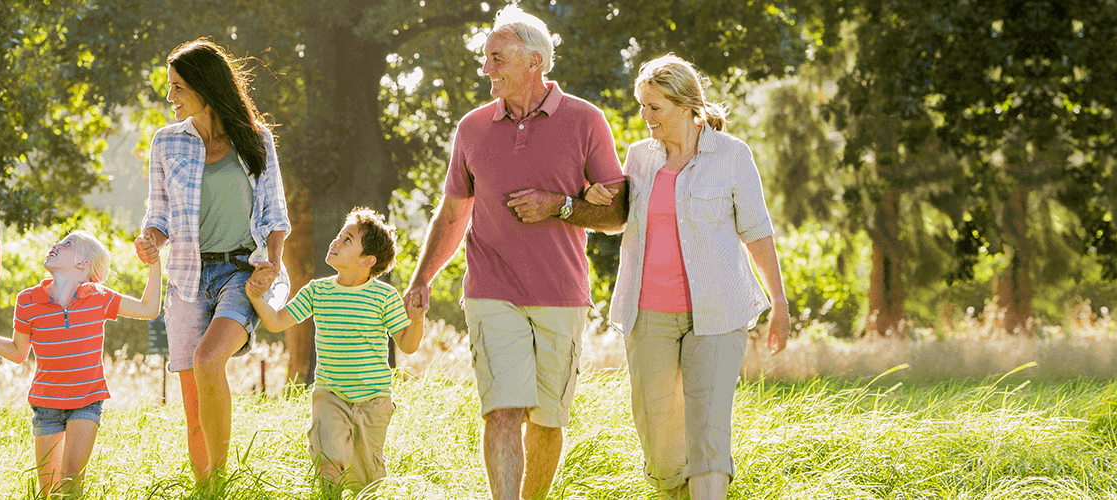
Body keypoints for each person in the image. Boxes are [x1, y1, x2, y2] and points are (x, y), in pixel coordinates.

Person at [401, 6, 629, 500]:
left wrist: (561, 206)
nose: (487, 69)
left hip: (560, 292)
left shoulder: (586, 121)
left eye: (497, 58)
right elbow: (453, 210)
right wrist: (422, 277)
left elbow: (617, 213)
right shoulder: (472, 128)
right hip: (491, 289)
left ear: (535, 60)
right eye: (486, 59)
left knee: (547, 420)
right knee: (502, 411)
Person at [584, 54, 794, 500]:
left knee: (708, 426)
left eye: (654, 107)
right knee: (659, 439)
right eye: (642, 106)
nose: (645, 117)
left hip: (718, 315)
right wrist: (595, 197)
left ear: (685, 106)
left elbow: (756, 232)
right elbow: (620, 218)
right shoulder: (639, 158)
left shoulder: (732, 155)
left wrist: (780, 302)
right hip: (649, 314)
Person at [132, 38, 292, 487]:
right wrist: (149, 240)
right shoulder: (166, 143)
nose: (170, 98)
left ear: (203, 86)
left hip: (241, 272)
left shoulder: (255, 138)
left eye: (177, 87)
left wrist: (272, 265)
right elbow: (158, 214)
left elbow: (275, 215)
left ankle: (221, 479)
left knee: (208, 361)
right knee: (192, 401)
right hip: (186, 277)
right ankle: (206, 488)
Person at [244, 208, 428, 491]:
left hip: (374, 401)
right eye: (340, 235)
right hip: (330, 395)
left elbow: (408, 344)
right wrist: (256, 297)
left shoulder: (384, 297)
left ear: (368, 260)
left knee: (365, 482)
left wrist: (417, 319)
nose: (336, 241)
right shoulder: (317, 292)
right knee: (328, 460)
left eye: (347, 240)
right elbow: (278, 322)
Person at [0, 231, 164, 498]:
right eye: (59, 242)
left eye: (67, 244)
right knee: (48, 493)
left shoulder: (98, 296)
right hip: (46, 405)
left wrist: (154, 264)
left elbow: (148, 309)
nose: (55, 244)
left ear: (83, 263)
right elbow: (18, 353)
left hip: (87, 400)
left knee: (72, 487)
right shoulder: (28, 301)